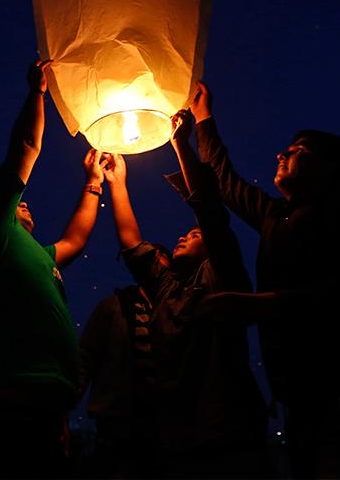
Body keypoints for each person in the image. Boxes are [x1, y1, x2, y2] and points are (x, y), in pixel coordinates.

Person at [191, 81, 340, 479]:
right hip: (299, 395)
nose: (282, 153)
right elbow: (224, 181)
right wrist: (202, 120)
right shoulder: (275, 217)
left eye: (299, 151)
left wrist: (261, 304)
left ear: (331, 169)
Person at [0, 60, 106, 479]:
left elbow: (74, 240)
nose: (24, 202)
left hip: (45, 411)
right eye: (14, 202)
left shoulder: (36, 254)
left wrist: (94, 183)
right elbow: (25, 148)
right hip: (1, 410)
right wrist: (36, 92)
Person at [102, 110, 273, 479]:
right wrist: (117, 183)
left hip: (229, 432)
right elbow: (132, 243)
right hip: (177, 436)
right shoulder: (167, 290)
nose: (185, 235)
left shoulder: (222, 275)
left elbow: (210, 212)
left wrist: (181, 144)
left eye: (194, 236)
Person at [78, 246, 170, 479]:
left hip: (164, 433)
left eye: (160, 256)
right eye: (152, 256)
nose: (155, 261)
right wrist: (63, 409)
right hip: (115, 428)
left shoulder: (175, 309)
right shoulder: (114, 306)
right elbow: (84, 357)